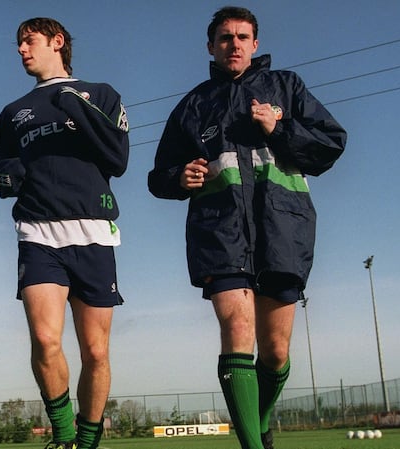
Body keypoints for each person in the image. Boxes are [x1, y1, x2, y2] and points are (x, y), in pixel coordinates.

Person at [148, 6, 346, 449]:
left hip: (282, 230)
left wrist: (280, 127)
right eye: (224, 37)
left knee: (275, 352)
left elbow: (331, 146)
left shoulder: (286, 87)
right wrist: (180, 178)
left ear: (255, 44)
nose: (233, 44)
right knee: (237, 329)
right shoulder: (192, 106)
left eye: (242, 37)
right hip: (219, 232)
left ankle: (260, 422)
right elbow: (158, 176)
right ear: (211, 47)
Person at [0, 17, 130, 449]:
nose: (20, 49)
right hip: (37, 232)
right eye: (18, 43)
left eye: (28, 41)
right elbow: (2, 167)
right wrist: (6, 176)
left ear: (57, 42)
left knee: (96, 352)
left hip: (92, 231)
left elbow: (118, 158)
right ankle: (65, 437)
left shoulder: (100, 94)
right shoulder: (12, 113)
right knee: (47, 340)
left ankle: (88, 440)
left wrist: (77, 106)